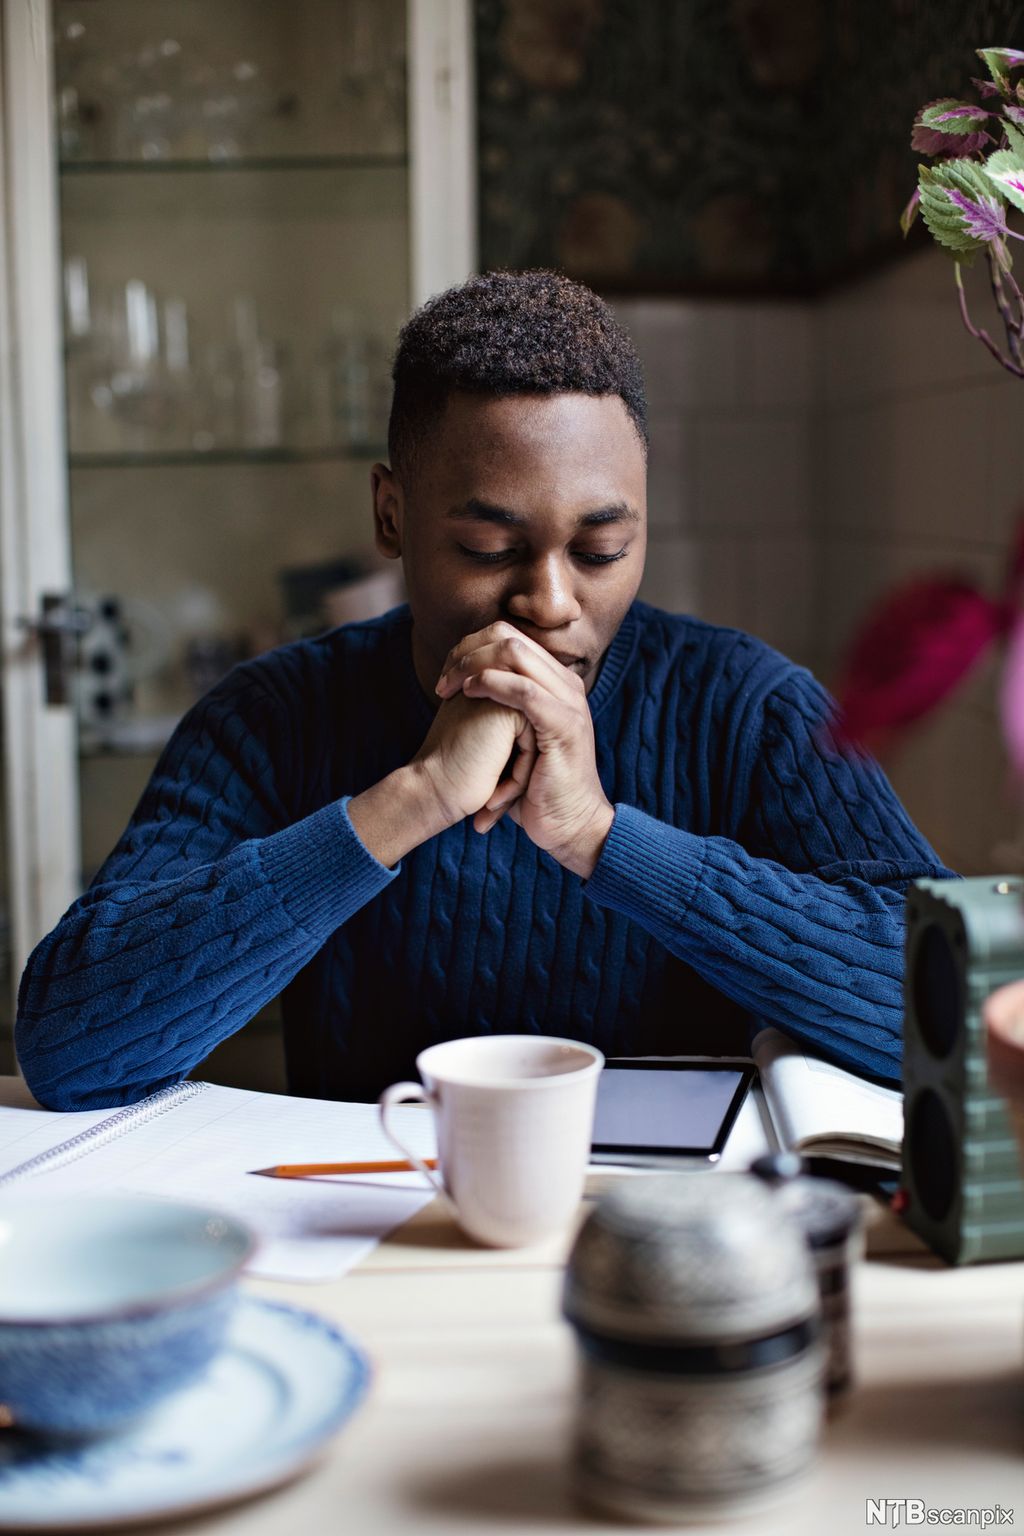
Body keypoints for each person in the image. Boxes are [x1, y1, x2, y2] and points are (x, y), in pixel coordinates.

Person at [16, 270, 953, 1111]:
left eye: (600, 551)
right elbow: (69, 1051)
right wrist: (408, 802)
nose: (549, 603)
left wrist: (599, 837)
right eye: (489, 549)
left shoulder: (749, 707)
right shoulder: (270, 718)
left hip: (665, 1241)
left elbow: (954, 1009)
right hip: (370, 1235)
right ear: (392, 517)